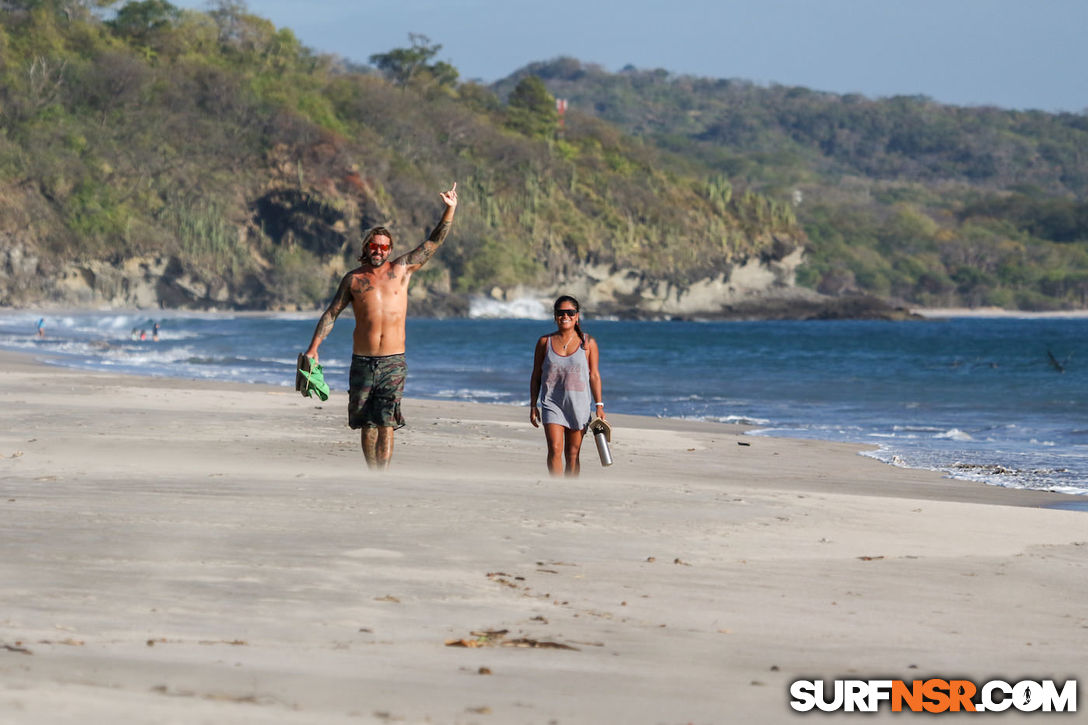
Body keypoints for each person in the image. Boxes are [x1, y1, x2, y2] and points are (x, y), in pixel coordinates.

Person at [303, 183, 458, 470]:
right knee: (367, 422)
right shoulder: (353, 280)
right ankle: (372, 473)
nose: (379, 250)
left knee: (386, 420)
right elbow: (331, 314)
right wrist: (313, 349)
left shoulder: (401, 271)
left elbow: (433, 243)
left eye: (384, 247)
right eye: (374, 246)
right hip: (362, 361)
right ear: (366, 247)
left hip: (393, 361)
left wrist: (449, 210)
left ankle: (383, 477)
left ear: (390, 250)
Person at [529, 295, 605, 476]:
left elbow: (594, 375)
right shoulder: (544, 342)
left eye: (570, 312)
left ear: (577, 316)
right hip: (552, 403)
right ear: (555, 316)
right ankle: (556, 489)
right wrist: (533, 404)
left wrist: (599, 405)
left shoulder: (588, 344)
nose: (565, 316)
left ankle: (570, 489)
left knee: (572, 454)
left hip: (579, 404)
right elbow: (536, 375)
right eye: (561, 313)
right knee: (555, 449)